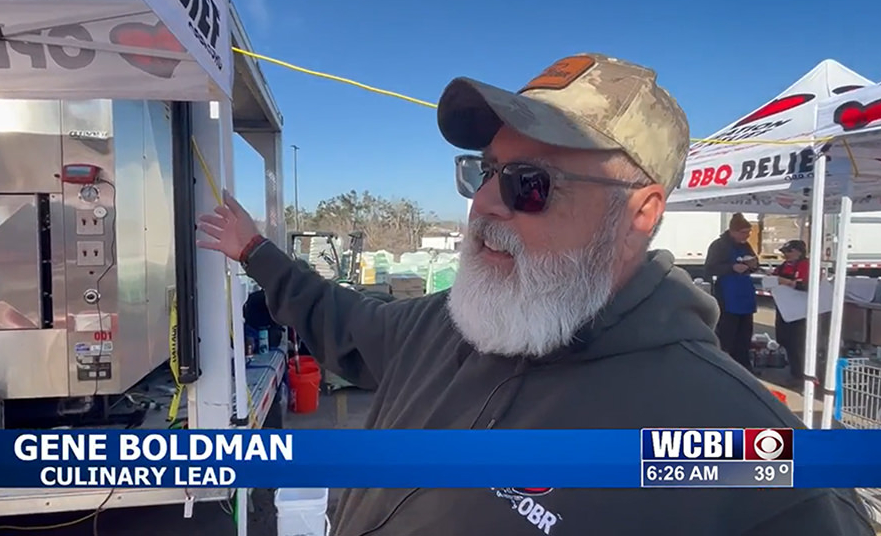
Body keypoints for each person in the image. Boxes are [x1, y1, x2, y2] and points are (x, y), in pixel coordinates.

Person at [198, 53, 873, 535]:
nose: (484, 206)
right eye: (484, 172)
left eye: (530, 182)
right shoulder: (442, 325)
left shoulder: (748, 454)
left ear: (639, 211)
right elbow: (340, 319)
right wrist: (256, 252)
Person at [705, 213, 760, 370]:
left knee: (745, 334)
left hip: (745, 295)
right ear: (733, 231)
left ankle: (744, 365)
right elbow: (709, 268)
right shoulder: (719, 246)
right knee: (727, 334)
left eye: (748, 232)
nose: (747, 236)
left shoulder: (745, 246)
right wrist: (731, 267)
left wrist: (753, 264)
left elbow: (755, 263)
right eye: (743, 232)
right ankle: (725, 366)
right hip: (727, 297)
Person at [772, 239, 811, 387]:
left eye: (788, 252)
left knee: (797, 343)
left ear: (798, 252)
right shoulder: (784, 266)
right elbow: (774, 277)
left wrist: (785, 282)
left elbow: (803, 285)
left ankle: (800, 374)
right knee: (784, 339)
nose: (785, 255)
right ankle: (794, 370)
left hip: (799, 311)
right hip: (784, 308)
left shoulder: (805, 265)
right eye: (784, 253)